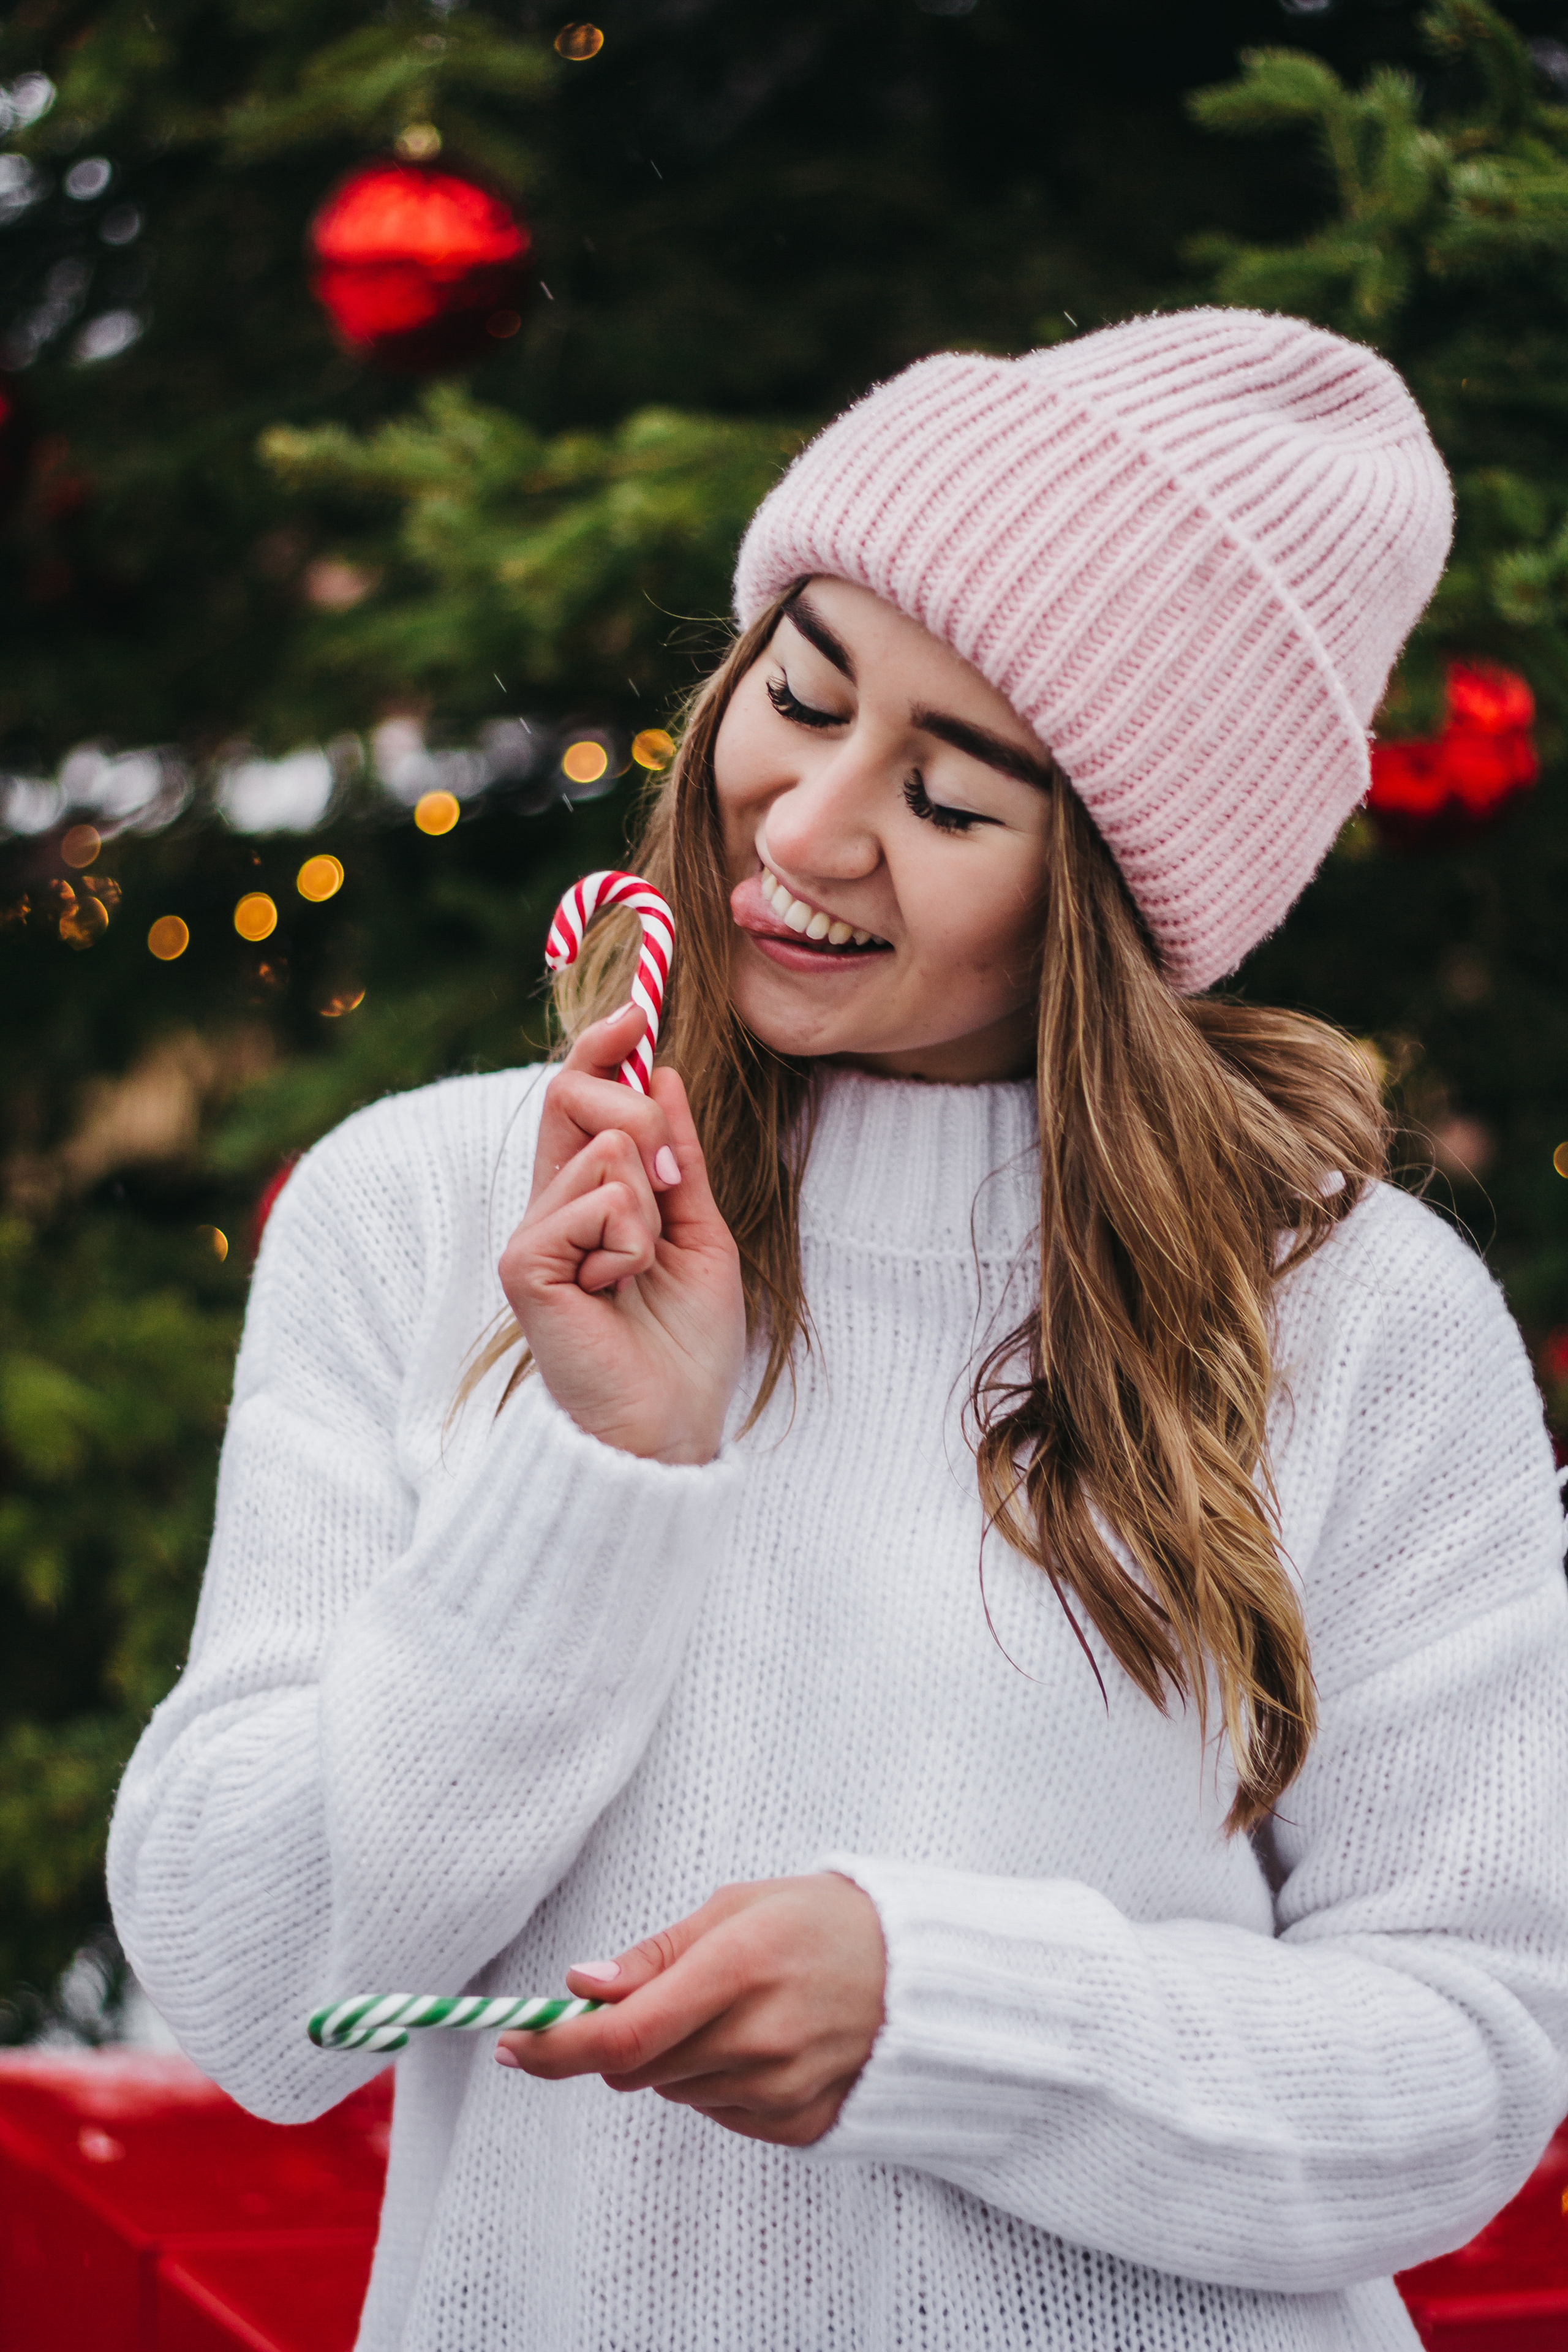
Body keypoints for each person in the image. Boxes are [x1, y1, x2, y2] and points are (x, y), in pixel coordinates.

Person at [110, 307, 1568, 2352]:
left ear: (1115, 905)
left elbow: (1469, 2063)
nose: (799, 831)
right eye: (800, 695)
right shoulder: (434, 1212)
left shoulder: (1352, 1318)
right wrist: (604, 1472)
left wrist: (958, 2022)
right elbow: (256, 1992)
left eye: (954, 800)